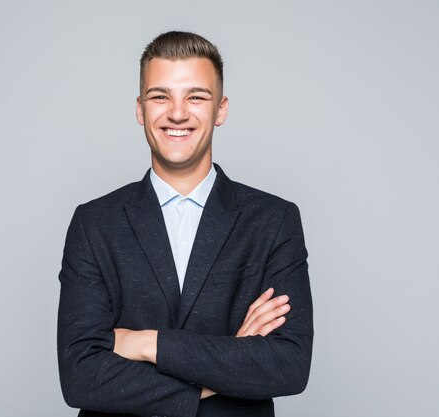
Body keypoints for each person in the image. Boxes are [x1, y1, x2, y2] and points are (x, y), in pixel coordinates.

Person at [57, 31, 313, 417]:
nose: (177, 113)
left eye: (196, 96)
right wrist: (226, 368)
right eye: (161, 96)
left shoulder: (274, 221)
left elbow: (287, 366)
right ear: (140, 109)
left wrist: (147, 344)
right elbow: (80, 377)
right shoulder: (94, 223)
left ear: (221, 110)